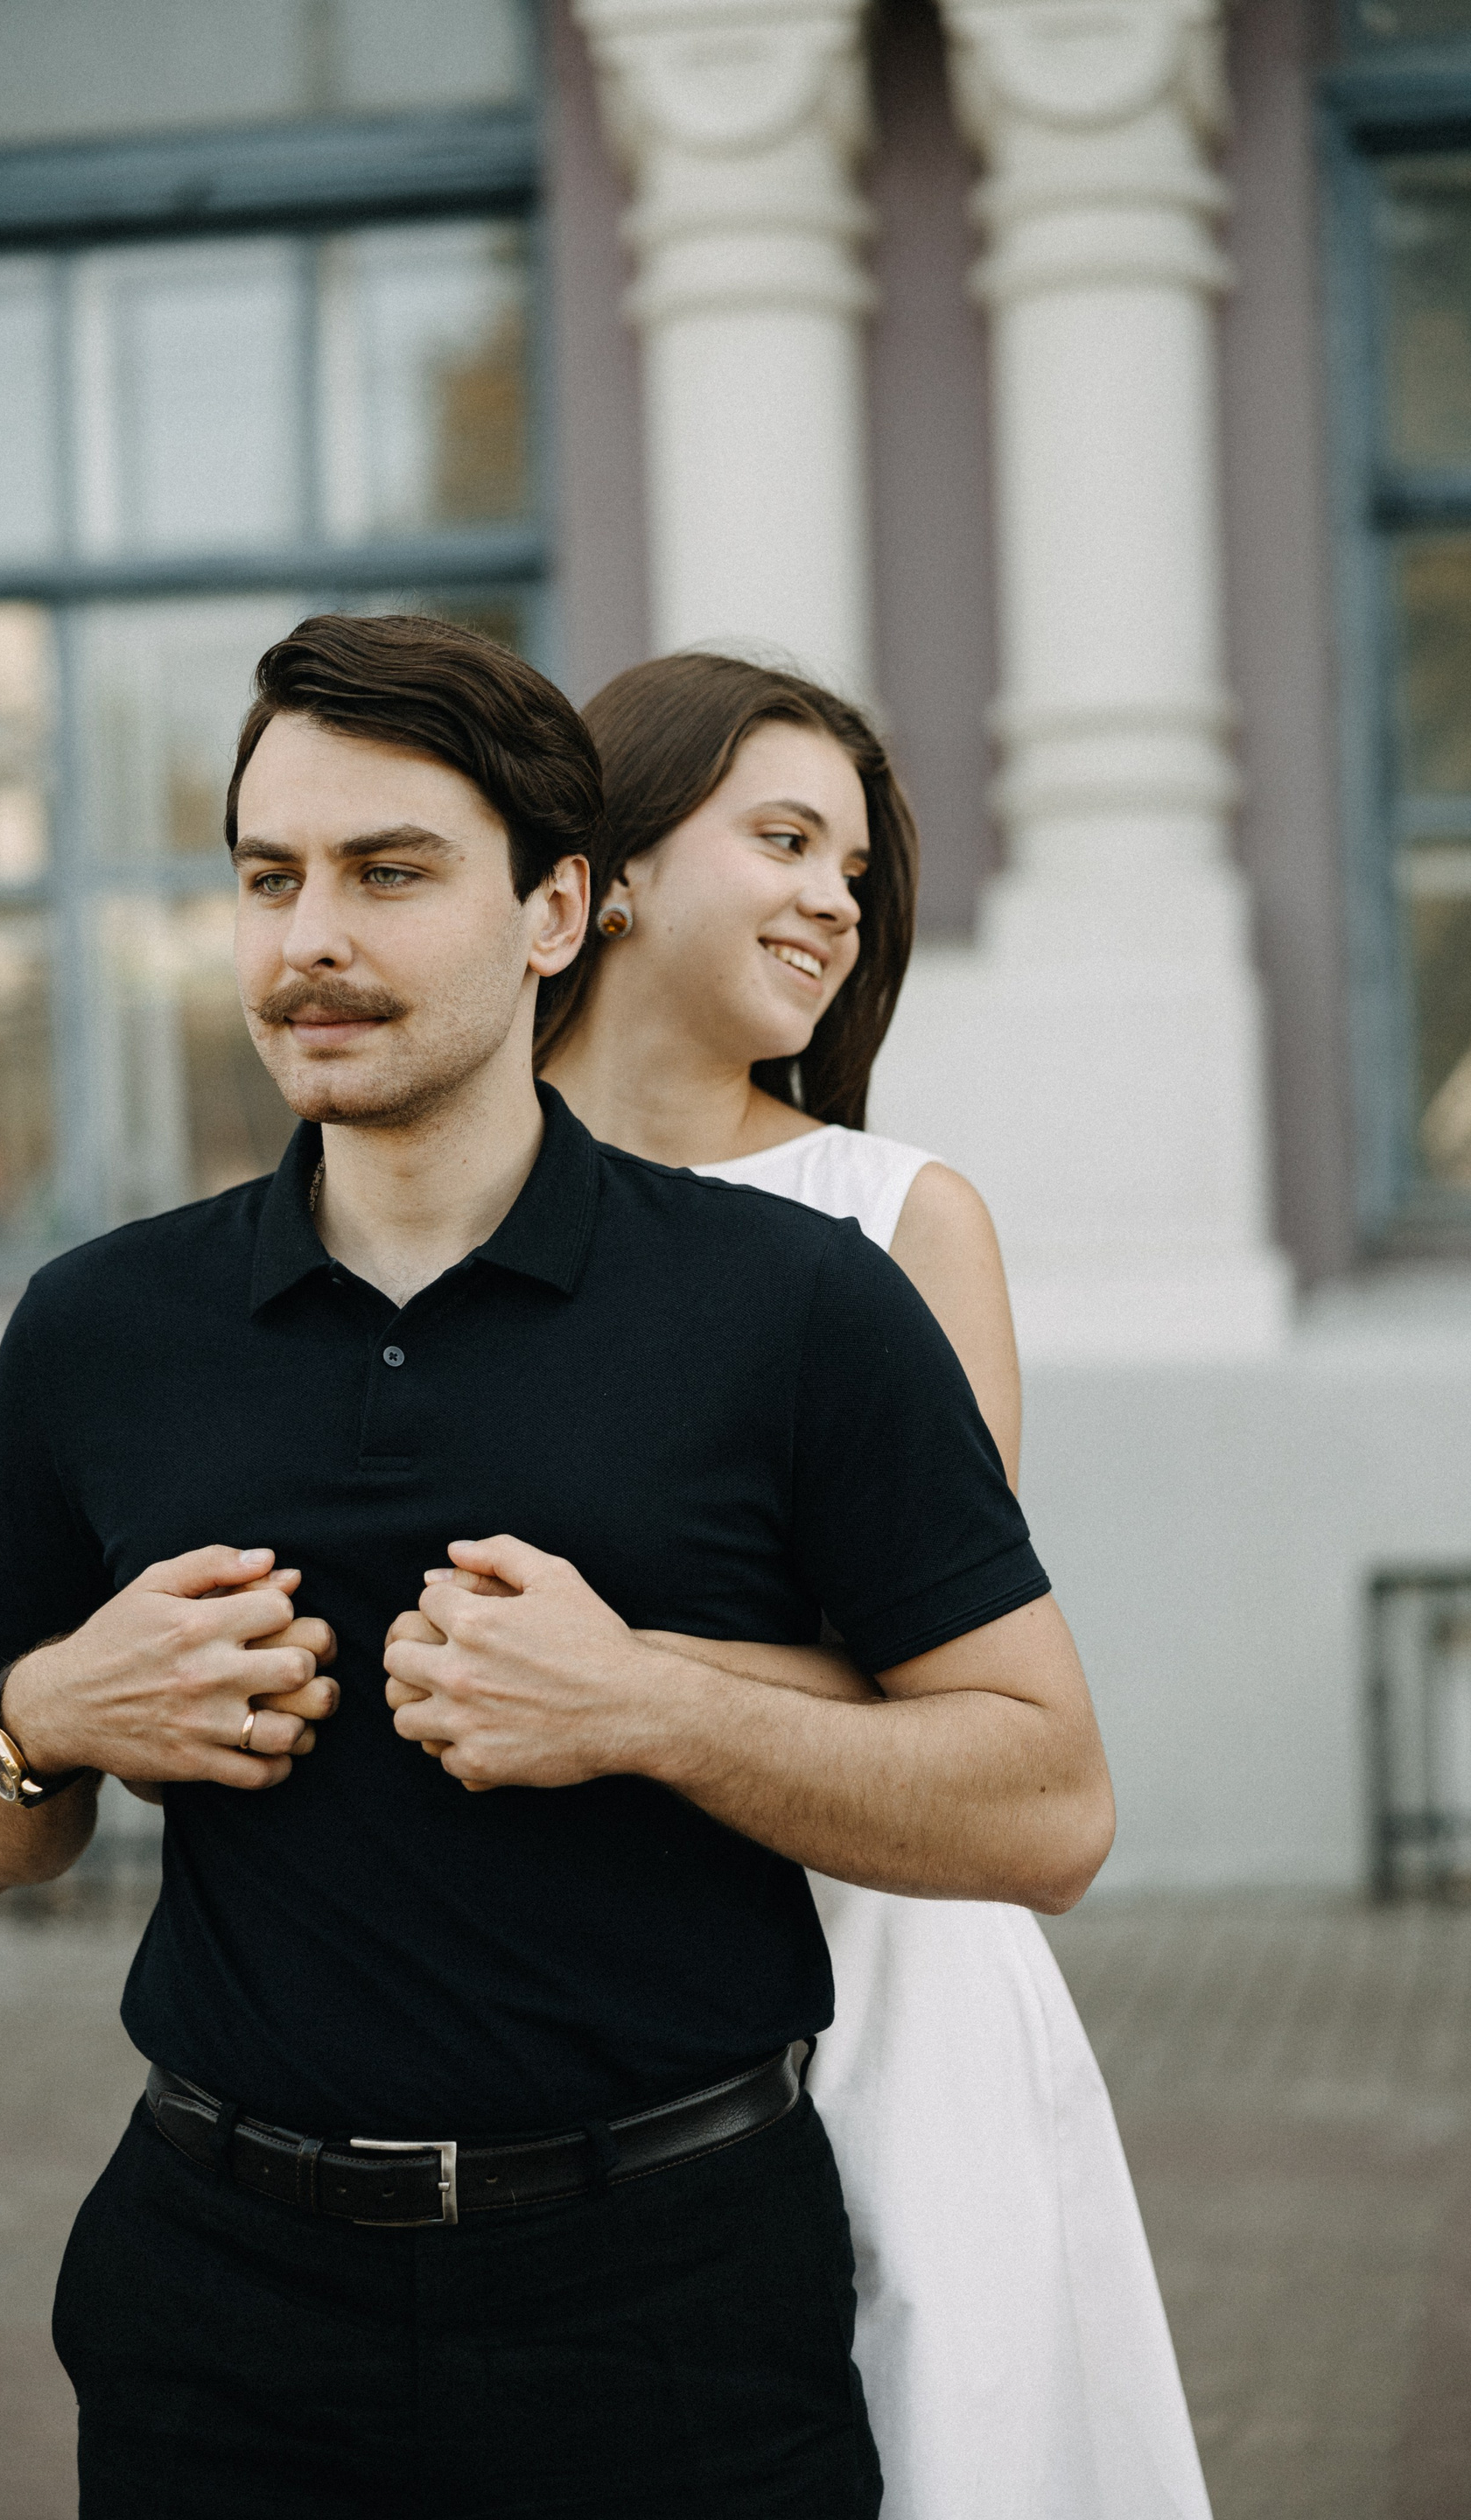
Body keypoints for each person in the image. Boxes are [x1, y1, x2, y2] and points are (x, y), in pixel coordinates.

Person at [0, 613, 1114, 2520]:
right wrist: (46, 1715)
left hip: (670, 2308)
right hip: (218, 2305)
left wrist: (647, 1708)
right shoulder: (100, 1326)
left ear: (557, 910)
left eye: (390, 874)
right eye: (270, 878)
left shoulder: (798, 1306)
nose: (310, 939)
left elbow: (1049, 1807)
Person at [535, 648, 1214, 2520]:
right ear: (612, 867)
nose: (836, 901)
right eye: (783, 841)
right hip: (537, 2000)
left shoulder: (897, 1221)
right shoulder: (440, 1203)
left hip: (877, 1977)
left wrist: (609, 1673)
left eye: (853, 870)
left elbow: (956, 1687)